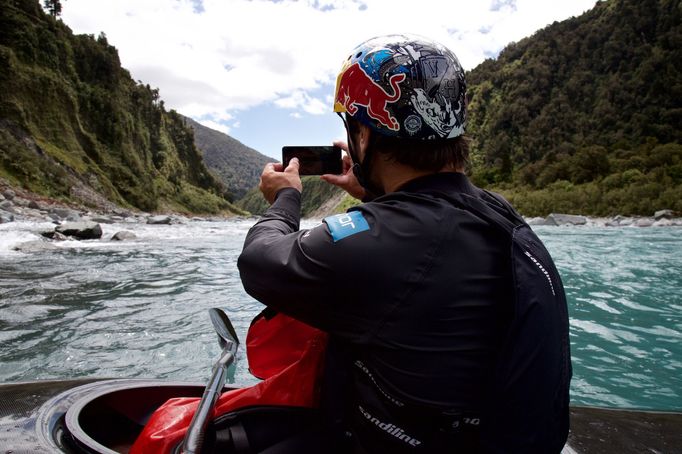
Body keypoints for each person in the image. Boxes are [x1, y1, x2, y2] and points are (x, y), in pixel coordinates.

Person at [238, 34, 571, 453]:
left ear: (363, 135)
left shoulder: (391, 241)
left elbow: (259, 262)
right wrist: (377, 194)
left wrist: (286, 197)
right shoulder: (493, 210)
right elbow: (419, 242)